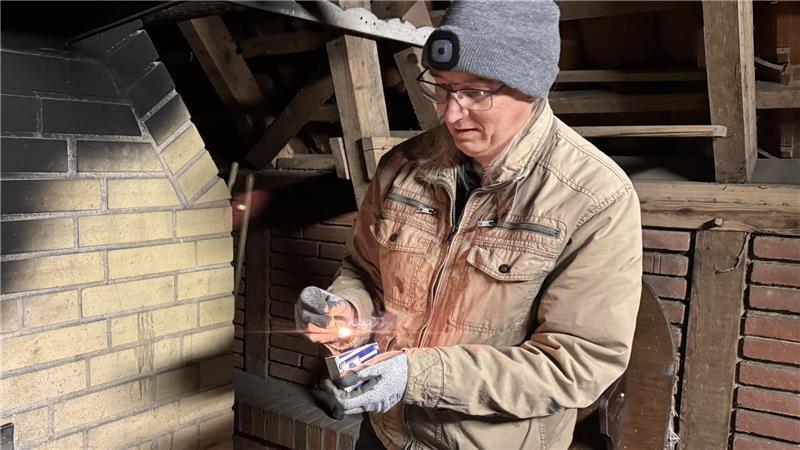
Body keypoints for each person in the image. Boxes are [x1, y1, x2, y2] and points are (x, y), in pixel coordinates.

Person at [295, 0, 643, 448]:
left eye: (475, 92)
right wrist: (346, 310)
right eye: (441, 87)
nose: (450, 113)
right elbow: (363, 271)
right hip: (384, 433)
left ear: (530, 86)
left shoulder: (595, 198)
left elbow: (576, 366)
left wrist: (413, 375)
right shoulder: (401, 168)